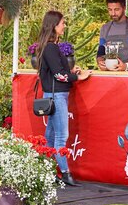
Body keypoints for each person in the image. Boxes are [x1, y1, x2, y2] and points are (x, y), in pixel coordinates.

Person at [34, 10, 91, 186]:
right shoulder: (51, 47)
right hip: (57, 96)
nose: (64, 26)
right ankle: (65, 174)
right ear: (54, 26)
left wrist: (71, 72)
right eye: (62, 23)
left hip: (54, 95)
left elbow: (56, 71)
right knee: (61, 136)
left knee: (50, 136)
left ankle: (47, 171)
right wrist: (77, 77)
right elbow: (59, 75)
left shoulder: (47, 47)